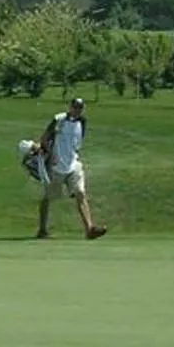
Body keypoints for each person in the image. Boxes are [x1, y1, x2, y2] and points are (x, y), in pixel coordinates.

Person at [34, 96, 106, 240]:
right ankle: (42, 229)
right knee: (48, 197)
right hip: (57, 166)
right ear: (70, 107)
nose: (78, 110)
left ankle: (89, 229)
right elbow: (45, 138)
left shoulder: (82, 122)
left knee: (80, 193)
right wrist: (48, 154)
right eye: (75, 107)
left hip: (73, 164)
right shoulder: (59, 119)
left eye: (80, 108)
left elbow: (77, 143)